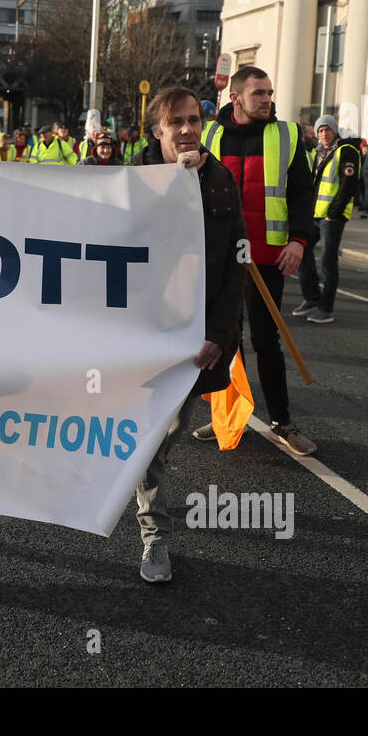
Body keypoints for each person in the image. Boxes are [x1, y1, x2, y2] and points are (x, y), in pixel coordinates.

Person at [129, 86, 246, 582]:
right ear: (157, 130)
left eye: (194, 119)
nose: (187, 129)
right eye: (175, 121)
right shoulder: (127, 180)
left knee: (172, 432)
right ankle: (154, 537)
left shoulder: (219, 181)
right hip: (137, 338)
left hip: (195, 342)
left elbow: (237, 265)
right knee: (149, 441)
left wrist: (220, 333)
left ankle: (131, 485)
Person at [189, 65, 317, 457]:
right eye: (258, 93)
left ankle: (282, 424)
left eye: (269, 92)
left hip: (266, 256)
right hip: (219, 259)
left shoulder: (288, 135)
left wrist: (298, 241)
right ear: (236, 97)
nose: (267, 100)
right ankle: (227, 417)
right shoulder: (208, 134)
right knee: (224, 341)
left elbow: (301, 195)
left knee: (266, 342)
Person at [292, 115, 359, 324]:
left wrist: (334, 212)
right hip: (316, 214)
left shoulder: (346, 151)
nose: (323, 134)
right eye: (320, 130)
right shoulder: (318, 152)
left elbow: (349, 184)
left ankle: (326, 308)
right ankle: (311, 298)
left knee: (329, 261)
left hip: (332, 216)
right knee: (302, 250)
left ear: (335, 130)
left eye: (327, 130)